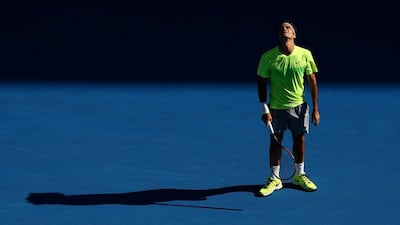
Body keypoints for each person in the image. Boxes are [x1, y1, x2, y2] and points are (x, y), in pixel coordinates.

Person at [257, 21, 320, 197]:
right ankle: (275, 178)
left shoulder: (305, 54)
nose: (285, 28)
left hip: (299, 106)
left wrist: (315, 108)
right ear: (279, 36)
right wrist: (265, 110)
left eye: (288, 27)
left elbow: (312, 81)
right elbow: (261, 83)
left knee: (299, 139)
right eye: (281, 28)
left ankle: (299, 175)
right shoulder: (267, 57)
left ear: (294, 35)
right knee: (275, 142)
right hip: (276, 108)